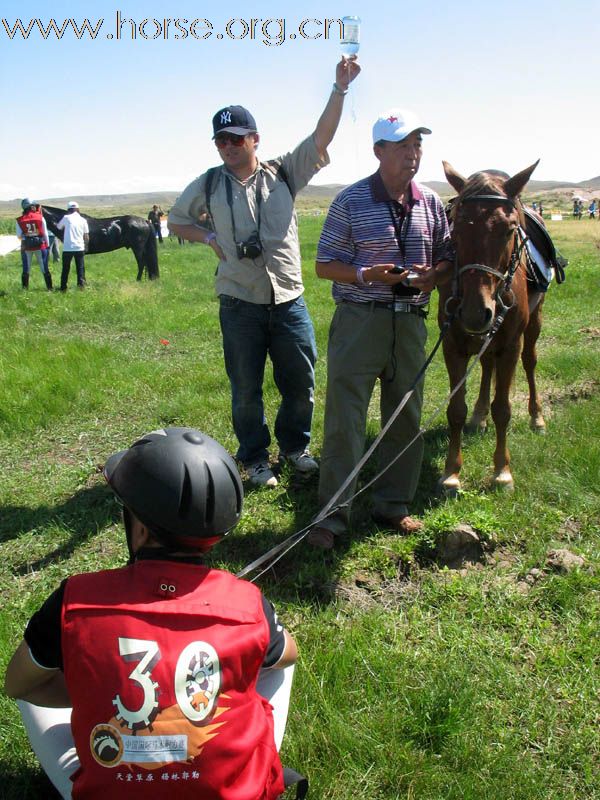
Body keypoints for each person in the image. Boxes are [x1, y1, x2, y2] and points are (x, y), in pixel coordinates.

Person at [5, 427, 298, 800]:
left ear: (140, 530)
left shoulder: (74, 599)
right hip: (231, 793)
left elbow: (18, 684)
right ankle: (251, 761)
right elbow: (288, 653)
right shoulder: (248, 601)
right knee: (276, 658)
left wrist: (97, 689)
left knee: (30, 686)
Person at [168, 57, 361, 488]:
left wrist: (339, 89)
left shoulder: (283, 173)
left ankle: (295, 448)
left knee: (301, 382)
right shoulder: (209, 184)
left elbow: (320, 138)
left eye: (237, 138)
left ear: (255, 139)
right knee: (245, 389)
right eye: (221, 140)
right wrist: (207, 237)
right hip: (240, 305)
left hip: (289, 301)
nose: (228, 146)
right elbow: (177, 220)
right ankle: (254, 458)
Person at [308, 109, 453, 549]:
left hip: (410, 323)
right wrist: (367, 274)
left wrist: (437, 274)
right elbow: (322, 266)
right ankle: (331, 517)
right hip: (360, 322)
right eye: (403, 146)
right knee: (345, 420)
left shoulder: (430, 202)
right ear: (378, 152)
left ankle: (393, 505)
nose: (413, 155)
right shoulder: (350, 201)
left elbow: (447, 254)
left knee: (405, 417)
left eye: (417, 146)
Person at [15, 199, 53, 290]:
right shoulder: (40, 217)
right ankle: (50, 288)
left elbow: (18, 236)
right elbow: (45, 233)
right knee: (44, 267)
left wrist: (26, 237)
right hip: (40, 246)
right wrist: (47, 245)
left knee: (26, 268)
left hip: (26, 247)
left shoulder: (19, 220)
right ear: (31, 206)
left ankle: (25, 289)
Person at [56, 201, 89, 291]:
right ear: (78, 209)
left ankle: (63, 287)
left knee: (66, 268)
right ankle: (81, 286)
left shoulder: (66, 218)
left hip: (68, 248)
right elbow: (86, 235)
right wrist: (86, 246)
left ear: (68, 210)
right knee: (80, 268)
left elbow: (59, 227)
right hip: (79, 247)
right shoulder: (83, 220)